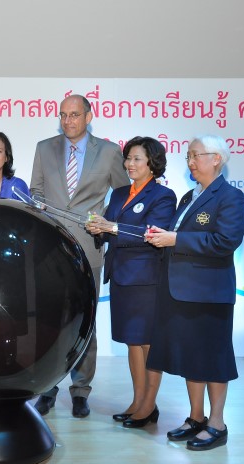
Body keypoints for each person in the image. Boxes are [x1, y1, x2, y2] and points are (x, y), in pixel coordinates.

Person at [134, 134, 244, 451]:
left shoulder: (230, 197)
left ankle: (217, 423)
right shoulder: (188, 197)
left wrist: (175, 240)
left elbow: (225, 242)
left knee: (213, 358)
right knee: (191, 357)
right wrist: (163, 236)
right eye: (188, 156)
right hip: (181, 291)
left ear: (216, 159)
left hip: (210, 293)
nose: (191, 162)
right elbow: (178, 235)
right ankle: (196, 417)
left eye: (196, 155)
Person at [30, 94, 129, 418]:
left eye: (74, 114)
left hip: (89, 246)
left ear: (88, 116)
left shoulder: (110, 151)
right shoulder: (45, 148)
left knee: (85, 320)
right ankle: (47, 387)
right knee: (49, 320)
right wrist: (40, 206)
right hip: (50, 248)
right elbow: (36, 191)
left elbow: (123, 195)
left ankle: (81, 390)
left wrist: (105, 222)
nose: (67, 120)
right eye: (63, 115)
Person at [85, 136, 176, 423]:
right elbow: (109, 228)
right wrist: (98, 228)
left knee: (148, 342)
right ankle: (138, 401)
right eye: (128, 158)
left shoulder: (163, 196)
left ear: (153, 163)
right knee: (132, 342)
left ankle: (149, 405)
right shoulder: (119, 193)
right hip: (121, 276)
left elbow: (152, 233)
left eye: (137, 158)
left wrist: (111, 227)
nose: (129, 164)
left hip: (146, 279)